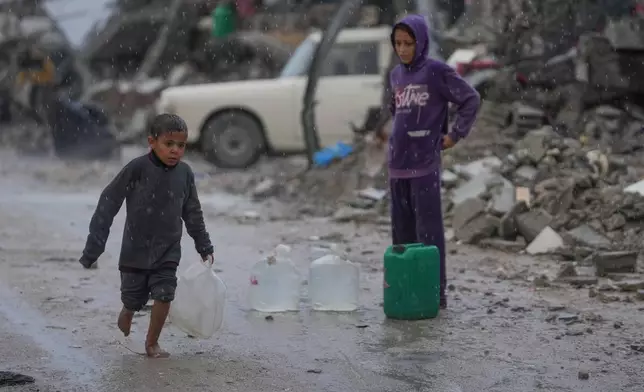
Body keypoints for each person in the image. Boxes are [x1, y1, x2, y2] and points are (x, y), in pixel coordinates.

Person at [79, 113, 214, 358]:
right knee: (134, 297)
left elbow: (192, 211)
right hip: (135, 249)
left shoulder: (185, 173)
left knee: (165, 293)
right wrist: (94, 247)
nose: (175, 151)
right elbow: (108, 202)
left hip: (168, 249)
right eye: (169, 144)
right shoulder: (137, 169)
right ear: (152, 142)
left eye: (181, 145)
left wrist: (203, 244)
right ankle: (128, 310)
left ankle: (152, 343)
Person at [376, 14, 480, 309]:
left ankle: (435, 294)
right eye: (398, 43)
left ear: (421, 42)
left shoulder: (436, 72)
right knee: (402, 235)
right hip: (398, 166)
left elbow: (470, 99)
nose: (403, 49)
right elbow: (397, 109)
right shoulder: (396, 75)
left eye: (408, 43)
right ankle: (407, 292)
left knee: (429, 236)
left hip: (424, 166)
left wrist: (454, 135)